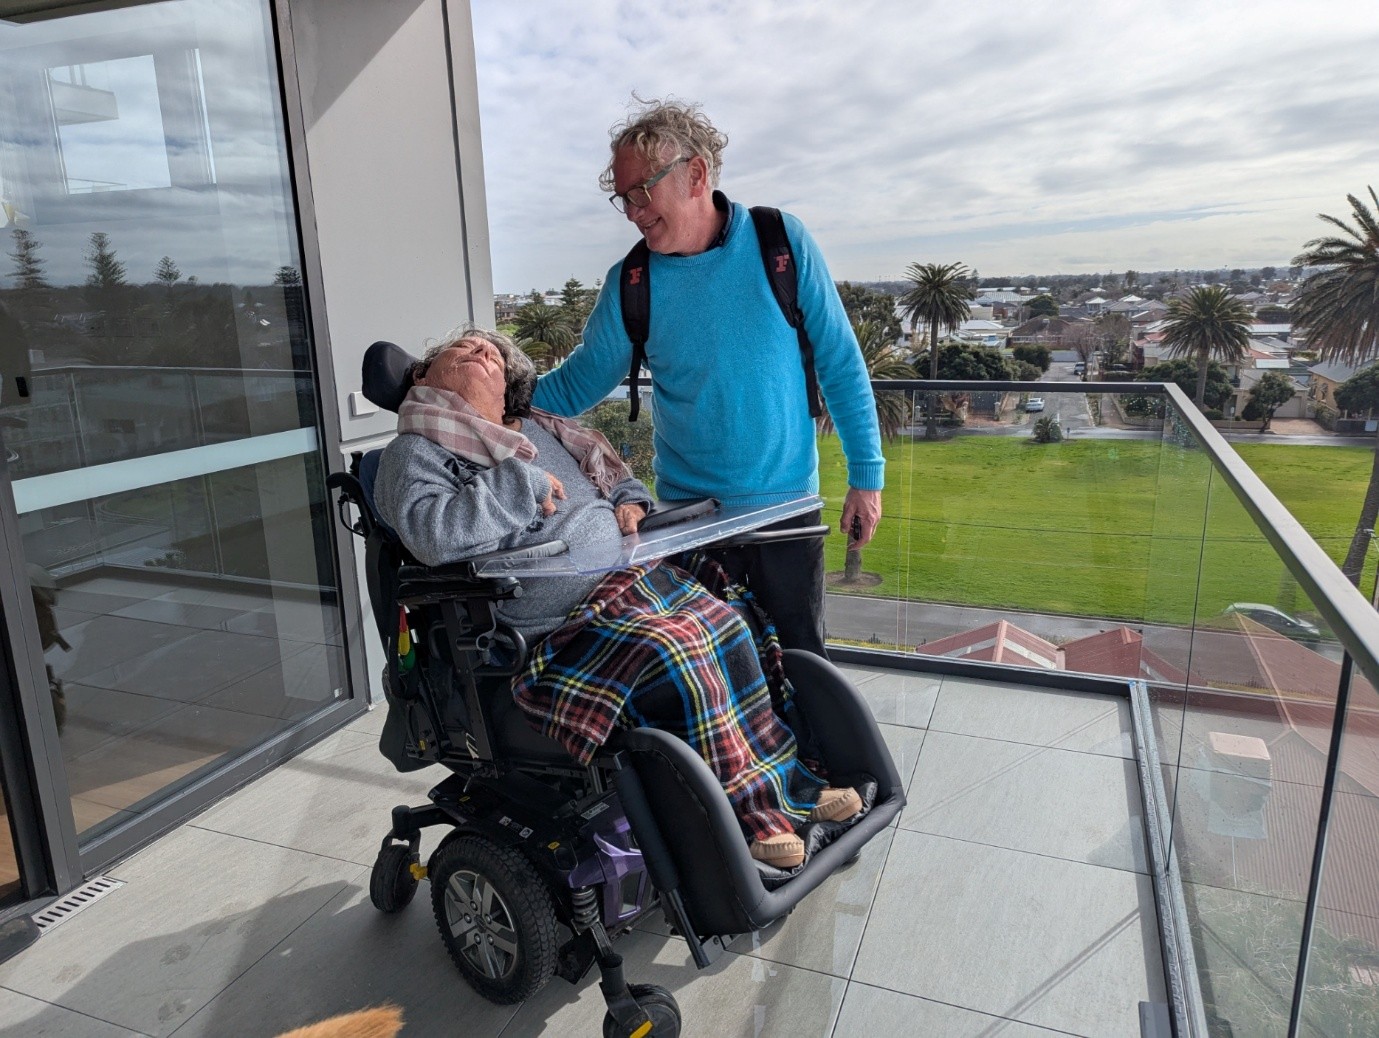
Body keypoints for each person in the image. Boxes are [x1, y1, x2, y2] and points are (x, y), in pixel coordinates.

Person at [373, 327, 860, 868]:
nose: (482, 351)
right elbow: (431, 533)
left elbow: (611, 476)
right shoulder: (416, 450)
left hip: (623, 583)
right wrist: (519, 484)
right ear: (423, 375)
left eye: (493, 352)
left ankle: (790, 787)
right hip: (549, 626)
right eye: (463, 349)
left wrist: (630, 500)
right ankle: (751, 818)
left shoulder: (539, 428)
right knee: (677, 647)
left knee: (729, 621)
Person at [531, 97, 885, 658]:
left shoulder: (781, 244)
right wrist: (490, 402)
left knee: (802, 671)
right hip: (687, 523)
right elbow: (575, 386)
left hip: (785, 513)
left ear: (695, 174)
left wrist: (867, 477)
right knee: (711, 681)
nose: (632, 211)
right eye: (622, 198)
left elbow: (842, 364)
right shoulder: (632, 282)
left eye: (641, 191)